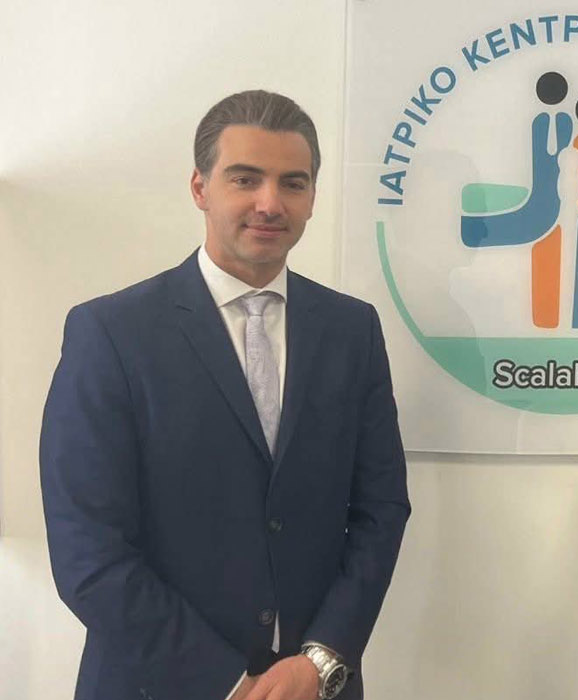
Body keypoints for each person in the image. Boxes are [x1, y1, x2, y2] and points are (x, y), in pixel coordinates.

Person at [40, 90, 411, 700]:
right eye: (245, 178)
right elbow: (88, 550)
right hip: (156, 686)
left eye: (293, 183)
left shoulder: (353, 330)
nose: (270, 203)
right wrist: (229, 684)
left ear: (312, 198)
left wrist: (320, 660)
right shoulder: (110, 334)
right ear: (200, 188)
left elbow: (381, 510)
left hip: (312, 688)